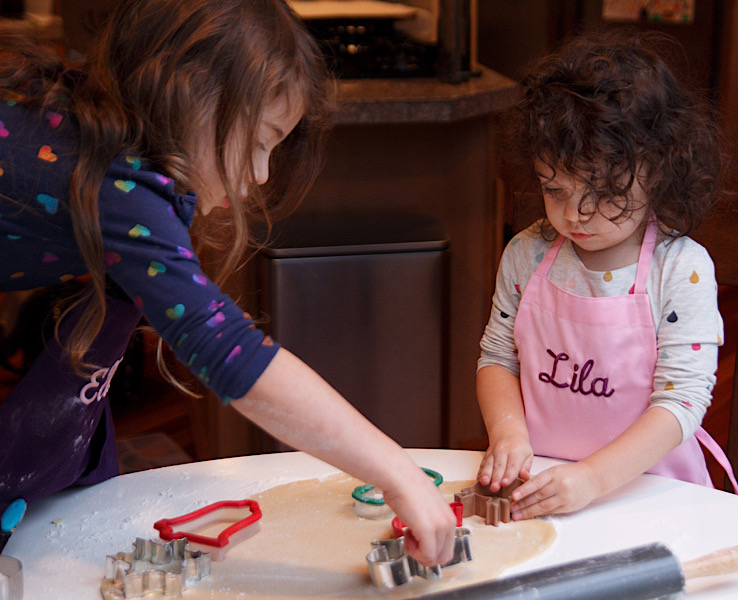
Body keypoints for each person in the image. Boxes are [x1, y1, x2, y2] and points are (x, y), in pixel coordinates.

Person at [0, 0, 456, 566]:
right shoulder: (117, 183)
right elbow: (227, 349)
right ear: (191, 93)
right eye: (260, 141)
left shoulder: (105, 143)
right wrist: (397, 473)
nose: (260, 174)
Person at [475, 30, 738, 521]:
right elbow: (497, 358)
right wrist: (508, 431)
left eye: (602, 193)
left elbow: (682, 400)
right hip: (544, 487)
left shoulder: (680, 270)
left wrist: (594, 479)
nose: (574, 215)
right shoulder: (527, 254)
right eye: (554, 190)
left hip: (652, 497)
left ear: (658, 171)